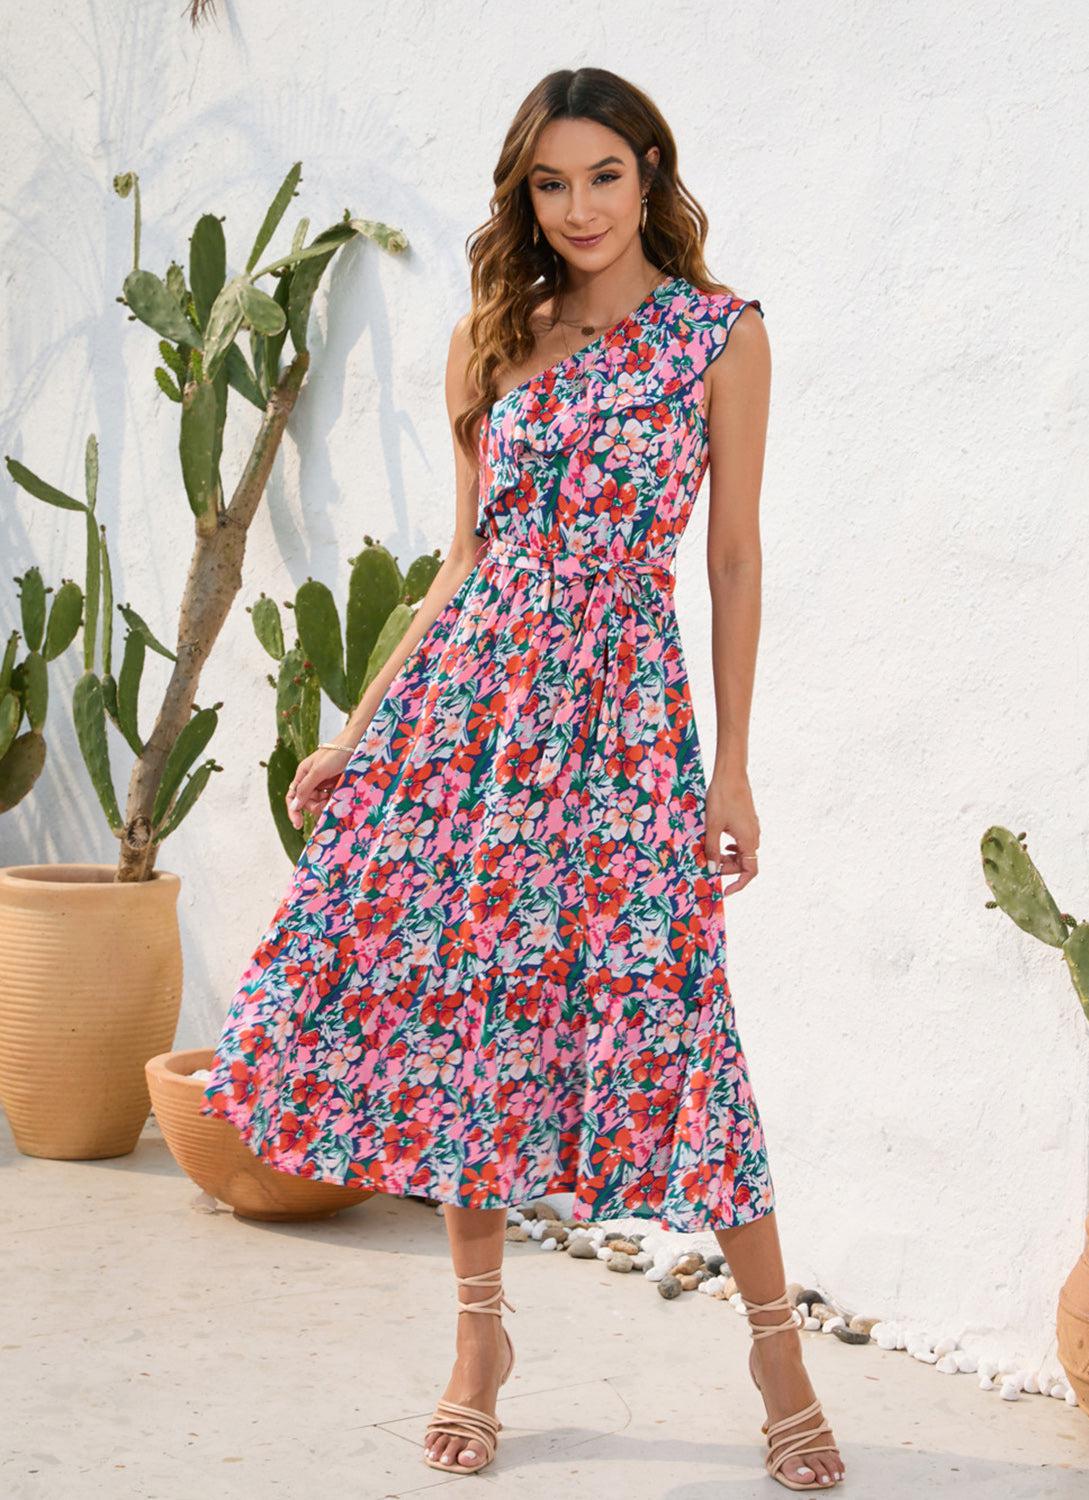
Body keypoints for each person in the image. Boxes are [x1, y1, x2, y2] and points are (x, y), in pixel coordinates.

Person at [200, 65, 845, 1493]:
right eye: (549, 184)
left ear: (649, 174)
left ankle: (774, 1352)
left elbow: (730, 560)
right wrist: (364, 730)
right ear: (522, 196)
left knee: (675, 1013)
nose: (578, 208)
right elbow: (464, 561)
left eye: (603, 176)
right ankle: (478, 1345)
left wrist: (731, 770)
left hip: (621, 721)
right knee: (468, 1019)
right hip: (471, 718)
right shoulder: (492, 339)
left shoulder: (715, 338)